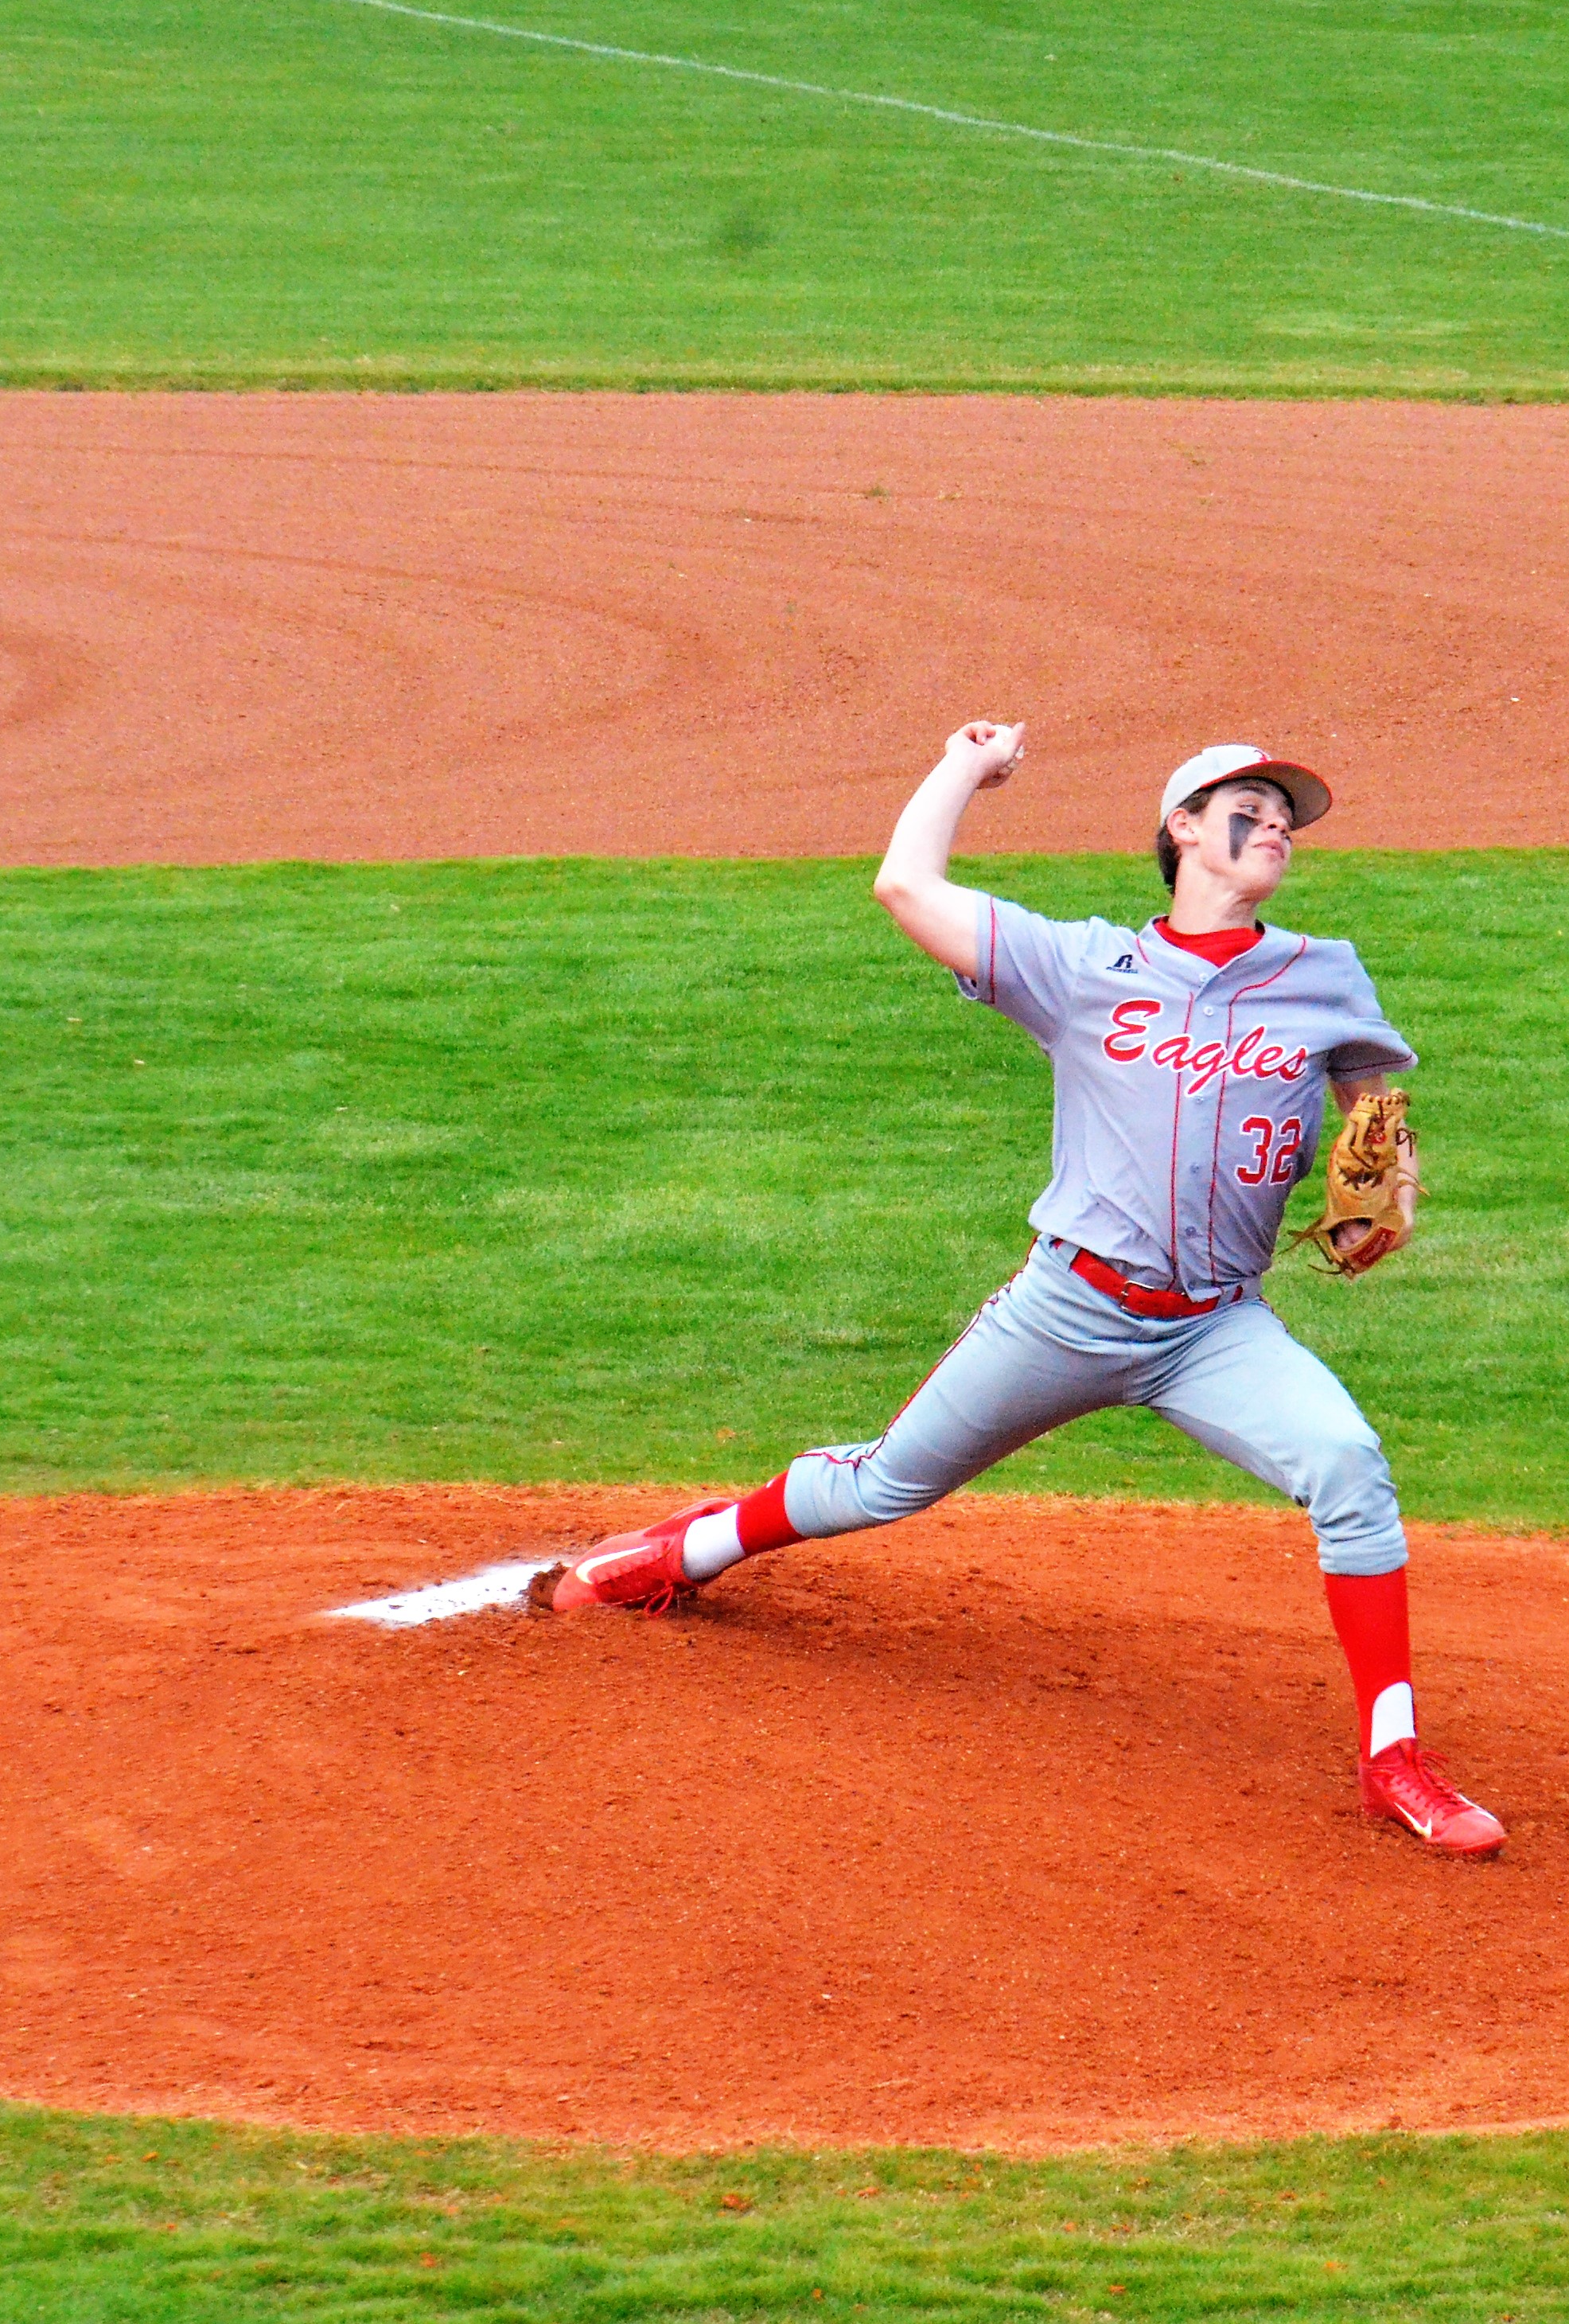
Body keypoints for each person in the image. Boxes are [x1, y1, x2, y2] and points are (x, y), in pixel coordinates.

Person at [543, 723, 1501, 1855]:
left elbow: (1373, 1110)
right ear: (1183, 830)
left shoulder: (1324, 974)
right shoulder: (1082, 967)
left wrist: (1393, 1177)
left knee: (1348, 1466)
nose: (1277, 827)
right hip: (1070, 1310)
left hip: (1215, 1330)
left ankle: (1394, 1762)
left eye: (1287, 818)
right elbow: (906, 886)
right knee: (885, 1486)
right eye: (1249, 809)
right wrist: (965, 768)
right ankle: (684, 1553)